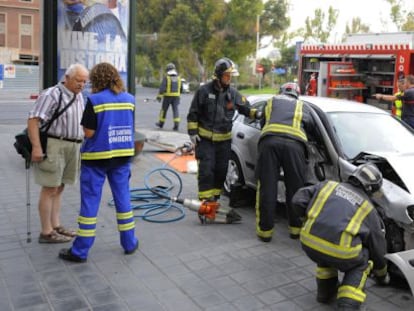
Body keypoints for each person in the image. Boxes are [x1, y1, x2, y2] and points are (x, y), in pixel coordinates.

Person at [59, 62, 139, 263]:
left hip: (96, 159)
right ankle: (129, 243)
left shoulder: (94, 100)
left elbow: (89, 132)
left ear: (96, 80)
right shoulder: (130, 100)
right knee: (123, 200)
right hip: (122, 158)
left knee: (90, 204)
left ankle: (80, 251)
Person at [291, 163, 389, 311]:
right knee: (362, 261)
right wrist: (382, 274)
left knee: (325, 253)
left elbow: (298, 200)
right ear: (370, 188)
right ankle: (347, 305)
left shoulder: (328, 185)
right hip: (342, 252)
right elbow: (377, 246)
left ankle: (325, 293)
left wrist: (310, 220)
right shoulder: (368, 208)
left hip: (309, 242)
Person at [28, 63, 89, 243]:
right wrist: (37, 147)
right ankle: (46, 232)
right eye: (78, 80)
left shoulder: (79, 96)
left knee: (60, 187)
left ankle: (56, 225)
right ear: (67, 78)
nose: (82, 85)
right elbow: (33, 120)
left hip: (72, 146)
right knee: (50, 188)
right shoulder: (52, 94)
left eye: (85, 82)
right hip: (55, 144)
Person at [187, 57, 261, 201]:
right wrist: (193, 133)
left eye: (230, 76)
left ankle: (214, 199)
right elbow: (193, 114)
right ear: (219, 75)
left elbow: (246, 108)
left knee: (221, 172)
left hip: (224, 142)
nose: (229, 79)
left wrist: (258, 114)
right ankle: (204, 201)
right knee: (206, 171)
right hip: (205, 141)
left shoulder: (233, 94)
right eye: (227, 76)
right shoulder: (203, 91)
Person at [255, 82, 317, 242]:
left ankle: (265, 232)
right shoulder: (303, 106)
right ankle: (295, 230)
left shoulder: (271, 101)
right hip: (294, 146)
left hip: (269, 143)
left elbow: (263, 123)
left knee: (267, 187)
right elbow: (311, 128)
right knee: (295, 188)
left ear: (281, 91)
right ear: (297, 94)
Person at [155, 63, 182, 131]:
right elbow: (181, 88)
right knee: (175, 110)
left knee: (164, 110)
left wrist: (159, 96)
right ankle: (176, 125)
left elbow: (162, 88)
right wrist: (178, 95)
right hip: (176, 97)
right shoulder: (178, 77)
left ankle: (161, 123)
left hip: (167, 97)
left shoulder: (166, 77)